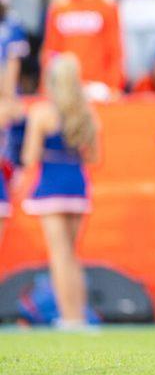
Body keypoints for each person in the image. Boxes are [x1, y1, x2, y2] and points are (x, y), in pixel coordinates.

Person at [21, 54, 98, 329]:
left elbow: (29, 157)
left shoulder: (42, 113)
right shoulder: (86, 113)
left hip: (51, 186)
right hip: (77, 185)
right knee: (72, 255)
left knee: (60, 256)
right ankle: (79, 316)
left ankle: (69, 318)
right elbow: (93, 158)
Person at [42, 0, 124, 98]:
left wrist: (113, 87)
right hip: (65, 88)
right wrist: (46, 87)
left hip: (98, 90)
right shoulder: (59, 8)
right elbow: (50, 51)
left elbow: (115, 51)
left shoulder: (107, 7)